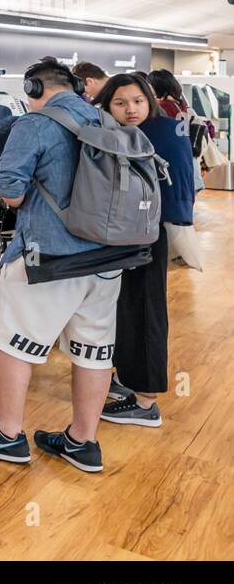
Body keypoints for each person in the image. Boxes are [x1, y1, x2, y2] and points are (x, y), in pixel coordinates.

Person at [0, 58, 120, 472]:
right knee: (93, 350)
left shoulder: (33, 125)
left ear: (34, 87)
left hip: (47, 256)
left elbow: (10, 192)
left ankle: (7, 435)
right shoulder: (107, 121)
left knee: (13, 343)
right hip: (109, 259)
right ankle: (83, 441)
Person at [94, 73, 194, 428]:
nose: (130, 109)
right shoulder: (109, 132)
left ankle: (147, 400)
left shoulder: (163, 131)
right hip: (118, 238)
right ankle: (129, 378)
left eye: (137, 100)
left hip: (147, 237)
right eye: (120, 103)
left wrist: (176, 221)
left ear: (149, 99)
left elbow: (181, 181)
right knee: (124, 309)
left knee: (146, 311)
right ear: (109, 105)